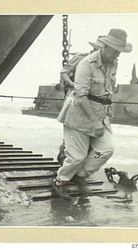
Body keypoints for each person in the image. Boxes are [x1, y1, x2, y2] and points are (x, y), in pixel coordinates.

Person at [53, 29, 132, 200]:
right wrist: (94, 122)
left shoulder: (113, 63)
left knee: (106, 149)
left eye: (119, 51)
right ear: (104, 46)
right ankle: (59, 181)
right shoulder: (86, 63)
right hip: (79, 115)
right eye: (114, 49)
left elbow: (108, 89)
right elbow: (81, 96)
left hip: (100, 115)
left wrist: (104, 115)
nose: (117, 54)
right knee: (76, 157)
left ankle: (80, 176)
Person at [57, 36, 105, 166]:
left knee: (89, 128)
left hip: (93, 101)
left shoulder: (103, 64)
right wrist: (72, 83)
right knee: (73, 126)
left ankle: (79, 162)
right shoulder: (81, 57)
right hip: (76, 97)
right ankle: (64, 155)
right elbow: (64, 72)